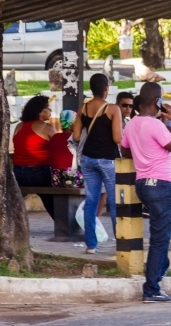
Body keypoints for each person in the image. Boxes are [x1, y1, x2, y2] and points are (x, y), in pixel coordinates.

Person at [121, 82, 171, 303]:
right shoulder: (155, 126)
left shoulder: (132, 124)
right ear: (157, 101)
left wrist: (143, 150)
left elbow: (125, 150)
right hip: (160, 186)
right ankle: (151, 289)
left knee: (163, 231)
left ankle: (160, 270)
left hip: (143, 184)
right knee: (160, 238)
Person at [71, 73, 122, 254]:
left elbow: (76, 136)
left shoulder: (83, 108)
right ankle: (121, 243)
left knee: (91, 201)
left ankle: (91, 245)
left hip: (88, 159)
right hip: (108, 160)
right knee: (115, 202)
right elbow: (117, 138)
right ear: (106, 88)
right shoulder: (113, 109)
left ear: (92, 89)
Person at [12, 95, 58, 219]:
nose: (51, 111)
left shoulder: (19, 126)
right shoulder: (47, 128)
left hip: (17, 173)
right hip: (37, 174)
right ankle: (63, 224)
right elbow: (59, 150)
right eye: (48, 108)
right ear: (40, 111)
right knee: (56, 191)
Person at [47, 110, 82, 188]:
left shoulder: (55, 137)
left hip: (56, 178)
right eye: (76, 122)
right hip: (73, 178)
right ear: (71, 124)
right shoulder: (76, 138)